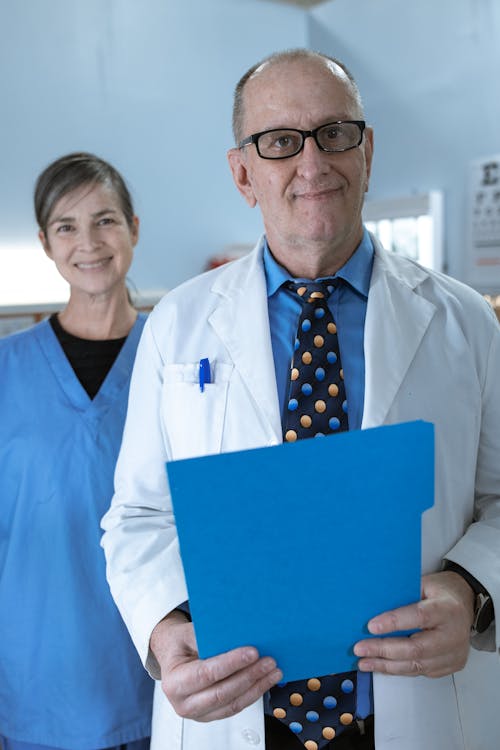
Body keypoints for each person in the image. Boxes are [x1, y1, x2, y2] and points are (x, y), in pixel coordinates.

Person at [101, 49, 500, 750]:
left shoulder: (467, 321)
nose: (312, 164)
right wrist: (165, 633)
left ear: (368, 151)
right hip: (237, 705)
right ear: (243, 173)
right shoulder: (176, 326)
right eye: (280, 142)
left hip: (415, 705)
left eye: (335, 133)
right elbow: (137, 513)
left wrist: (472, 590)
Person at [0, 153, 154, 750]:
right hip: (37, 682)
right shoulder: (8, 371)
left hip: (155, 670)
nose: (88, 242)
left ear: (134, 228)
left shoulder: (179, 365)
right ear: (45, 242)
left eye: (105, 220)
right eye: (66, 225)